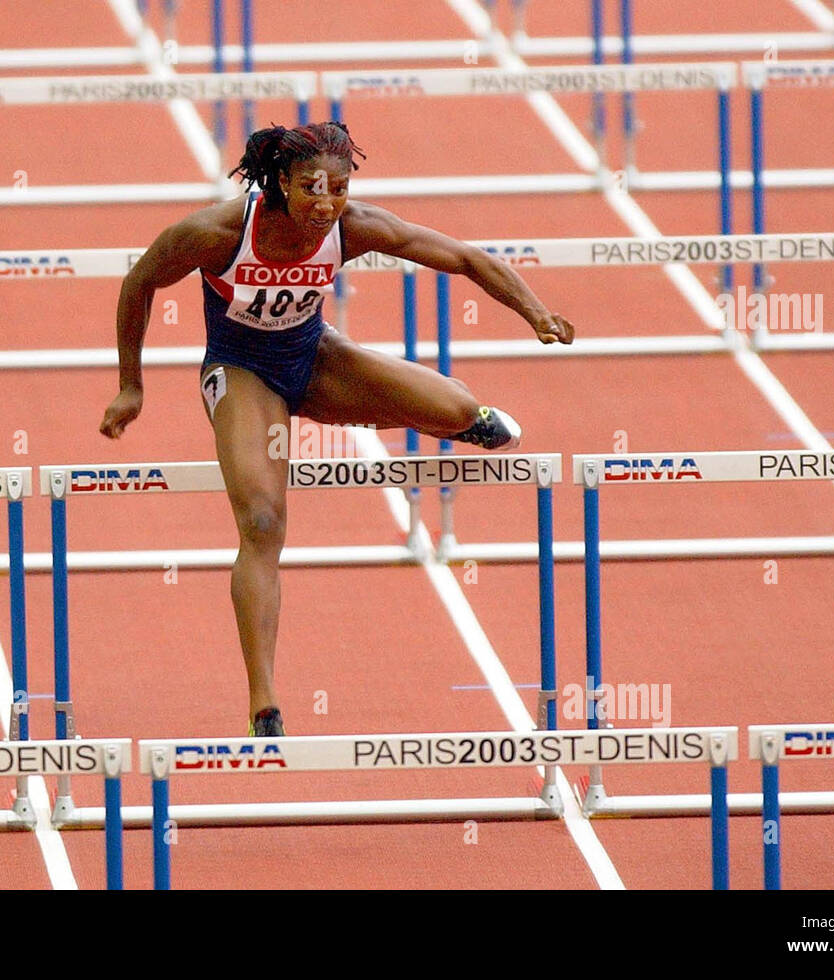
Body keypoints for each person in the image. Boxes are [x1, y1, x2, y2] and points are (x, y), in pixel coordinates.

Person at [100, 121, 573, 736]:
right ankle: (264, 701)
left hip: (314, 359)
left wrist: (536, 313)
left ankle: (441, 416)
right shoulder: (217, 233)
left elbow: (460, 256)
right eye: (311, 189)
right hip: (243, 373)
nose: (325, 204)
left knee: (457, 410)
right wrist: (131, 384)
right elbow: (139, 282)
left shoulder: (350, 228)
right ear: (280, 183)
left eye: (339, 189)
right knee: (263, 522)